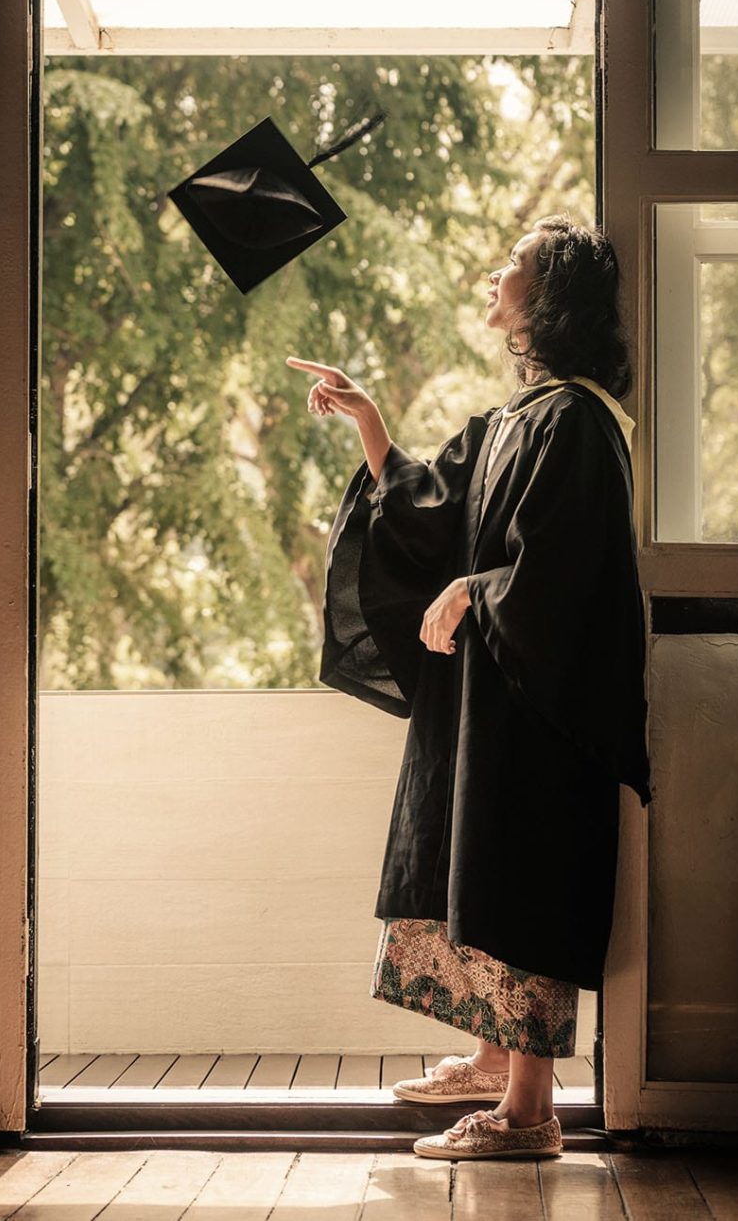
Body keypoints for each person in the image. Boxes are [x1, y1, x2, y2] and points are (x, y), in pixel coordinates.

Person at [285, 213, 652, 1164]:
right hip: (488, 701)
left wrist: (475, 588)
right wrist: (369, 422)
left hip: (538, 709)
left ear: (551, 297)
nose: (496, 274)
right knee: (473, 866)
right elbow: (431, 512)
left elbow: (568, 574)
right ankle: (492, 1057)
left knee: (523, 873)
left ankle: (530, 1116)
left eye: (515, 265)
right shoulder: (514, 418)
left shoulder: (576, 420)